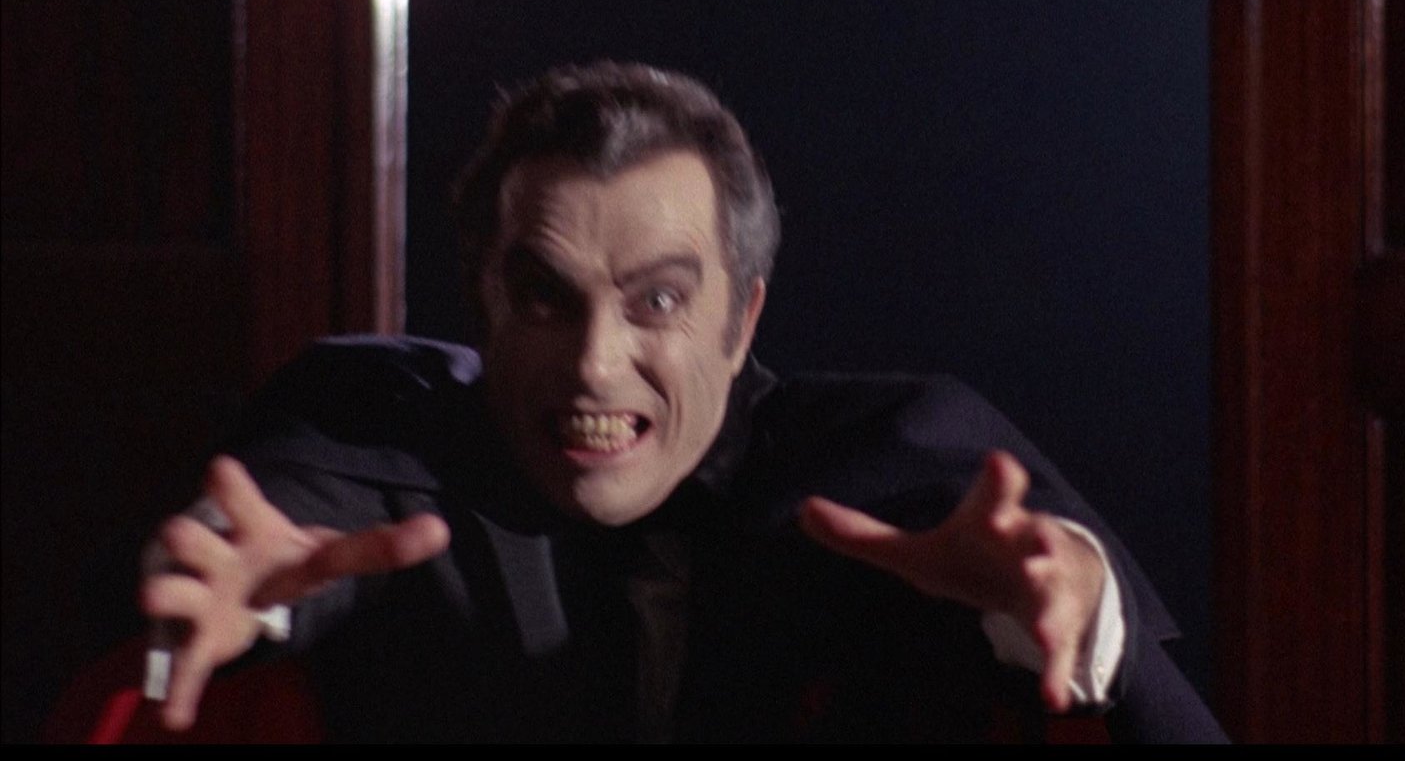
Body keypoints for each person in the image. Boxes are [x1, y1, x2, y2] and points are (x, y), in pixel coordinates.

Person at [139, 61, 1225, 742]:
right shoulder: (378, 431)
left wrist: (1082, 606)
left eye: (655, 300)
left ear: (741, 321)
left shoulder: (896, 460)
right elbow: (260, 530)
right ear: (484, 299)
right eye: (545, 297)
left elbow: (1094, 639)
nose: (594, 365)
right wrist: (210, 585)